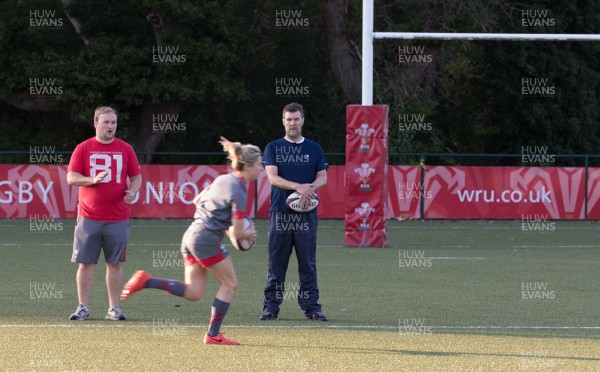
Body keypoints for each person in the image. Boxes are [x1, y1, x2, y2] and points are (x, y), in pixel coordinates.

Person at [120, 137, 262, 345]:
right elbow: (239, 234)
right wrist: (248, 235)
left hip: (191, 235)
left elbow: (197, 200)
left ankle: (146, 280)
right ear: (248, 165)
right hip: (205, 239)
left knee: (194, 292)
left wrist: (228, 228)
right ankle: (213, 335)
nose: (262, 167)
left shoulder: (223, 179)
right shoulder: (239, 188)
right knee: (229, 284)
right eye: (259, 164)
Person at [67, 106, 142, 321]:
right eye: (106, 122)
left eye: (114, 123)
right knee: (86, 263)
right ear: (96, 123)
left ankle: (114, 308)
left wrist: (133, 191)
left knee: (115, 263)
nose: (111, 126)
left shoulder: (126, 148)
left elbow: (137, 177)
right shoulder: (83, 148)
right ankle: (83, 307)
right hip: (88, 217)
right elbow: (71, 177)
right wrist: (91, 180)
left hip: (117, 217)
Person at [260, 102, 329, 321]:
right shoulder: (273, 147)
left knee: (307, 263)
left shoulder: (314, 148)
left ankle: (312, 308)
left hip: (306, 215)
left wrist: (310, 188)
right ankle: (271, 307)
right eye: (289, 119)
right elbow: (273, 177)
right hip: (280, 213)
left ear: (302, 120)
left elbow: (323, 177)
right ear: (283, 121)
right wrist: (297, 186)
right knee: (276, 263)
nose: (292, 123)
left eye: (296, 118)